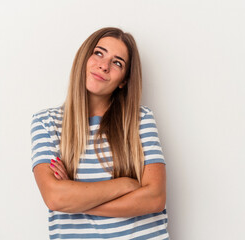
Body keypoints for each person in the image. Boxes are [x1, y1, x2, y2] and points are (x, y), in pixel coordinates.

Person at [31, 27, 169, 239]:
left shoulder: (140, 119)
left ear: (123, 80)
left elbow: (154, 199)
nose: (104, 66)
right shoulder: (47, 123)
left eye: (117, 62)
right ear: (84, 58)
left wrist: (76, 198)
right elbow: (55, 198)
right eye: (98, 53)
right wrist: (126, 185)